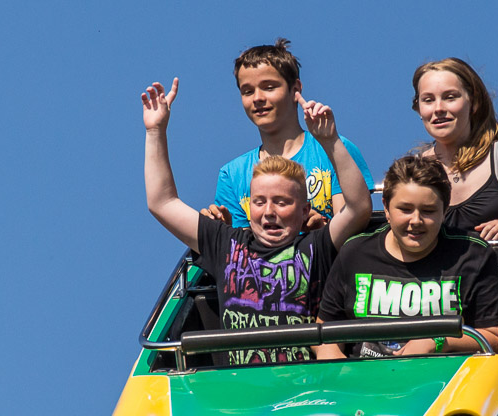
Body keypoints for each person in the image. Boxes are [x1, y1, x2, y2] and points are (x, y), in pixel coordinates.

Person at [141, 78, 371, 365]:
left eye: (282, 202)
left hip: (301, 388)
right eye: (260, 202)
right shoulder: (225, 243)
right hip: (243, 391)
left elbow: (359, 207)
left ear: (304, 211)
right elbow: (162, 202)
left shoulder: (317, 246)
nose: (269, 211)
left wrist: (330, 141)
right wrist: (155, 130)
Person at [315, 155, 498, 359]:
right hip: (362, 383)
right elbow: (325, 332)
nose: (416, 221)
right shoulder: (354, 252)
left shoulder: (473, 254)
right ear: (386, 207)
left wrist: (438, 342)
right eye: (405, 209)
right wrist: (334, 361)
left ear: (445, 210)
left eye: (428, 211)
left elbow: (495, 338)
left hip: (448, 384)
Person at [207, 39, 373, 229]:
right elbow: (240, 251)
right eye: (247, 91)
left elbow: (353, 225)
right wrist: (221, 231)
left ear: (295, 89)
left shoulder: (335, 149)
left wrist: (320, 229)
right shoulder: (232, 174)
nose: (258, 98)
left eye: (269, 87)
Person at [412, 58, 498, 254]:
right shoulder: (413, 170)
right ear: (419, 109)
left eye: (450, 97)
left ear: (474, 102)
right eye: (428, 100)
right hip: (439, 282)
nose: (438, 109)